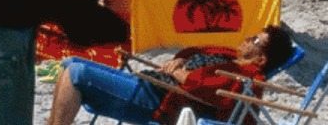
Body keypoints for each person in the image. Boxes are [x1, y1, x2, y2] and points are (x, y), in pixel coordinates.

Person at [45, 25, 294, 125]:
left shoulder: (249, 78)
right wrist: (180, 59)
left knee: (77, 72)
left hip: (158, 100)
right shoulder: (231, 57)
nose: (248, 38)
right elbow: (197, 50)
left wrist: (183, 75)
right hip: (153, 83)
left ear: (261, 59)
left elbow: (215, 95)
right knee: (71, 62)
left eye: (255, 40)